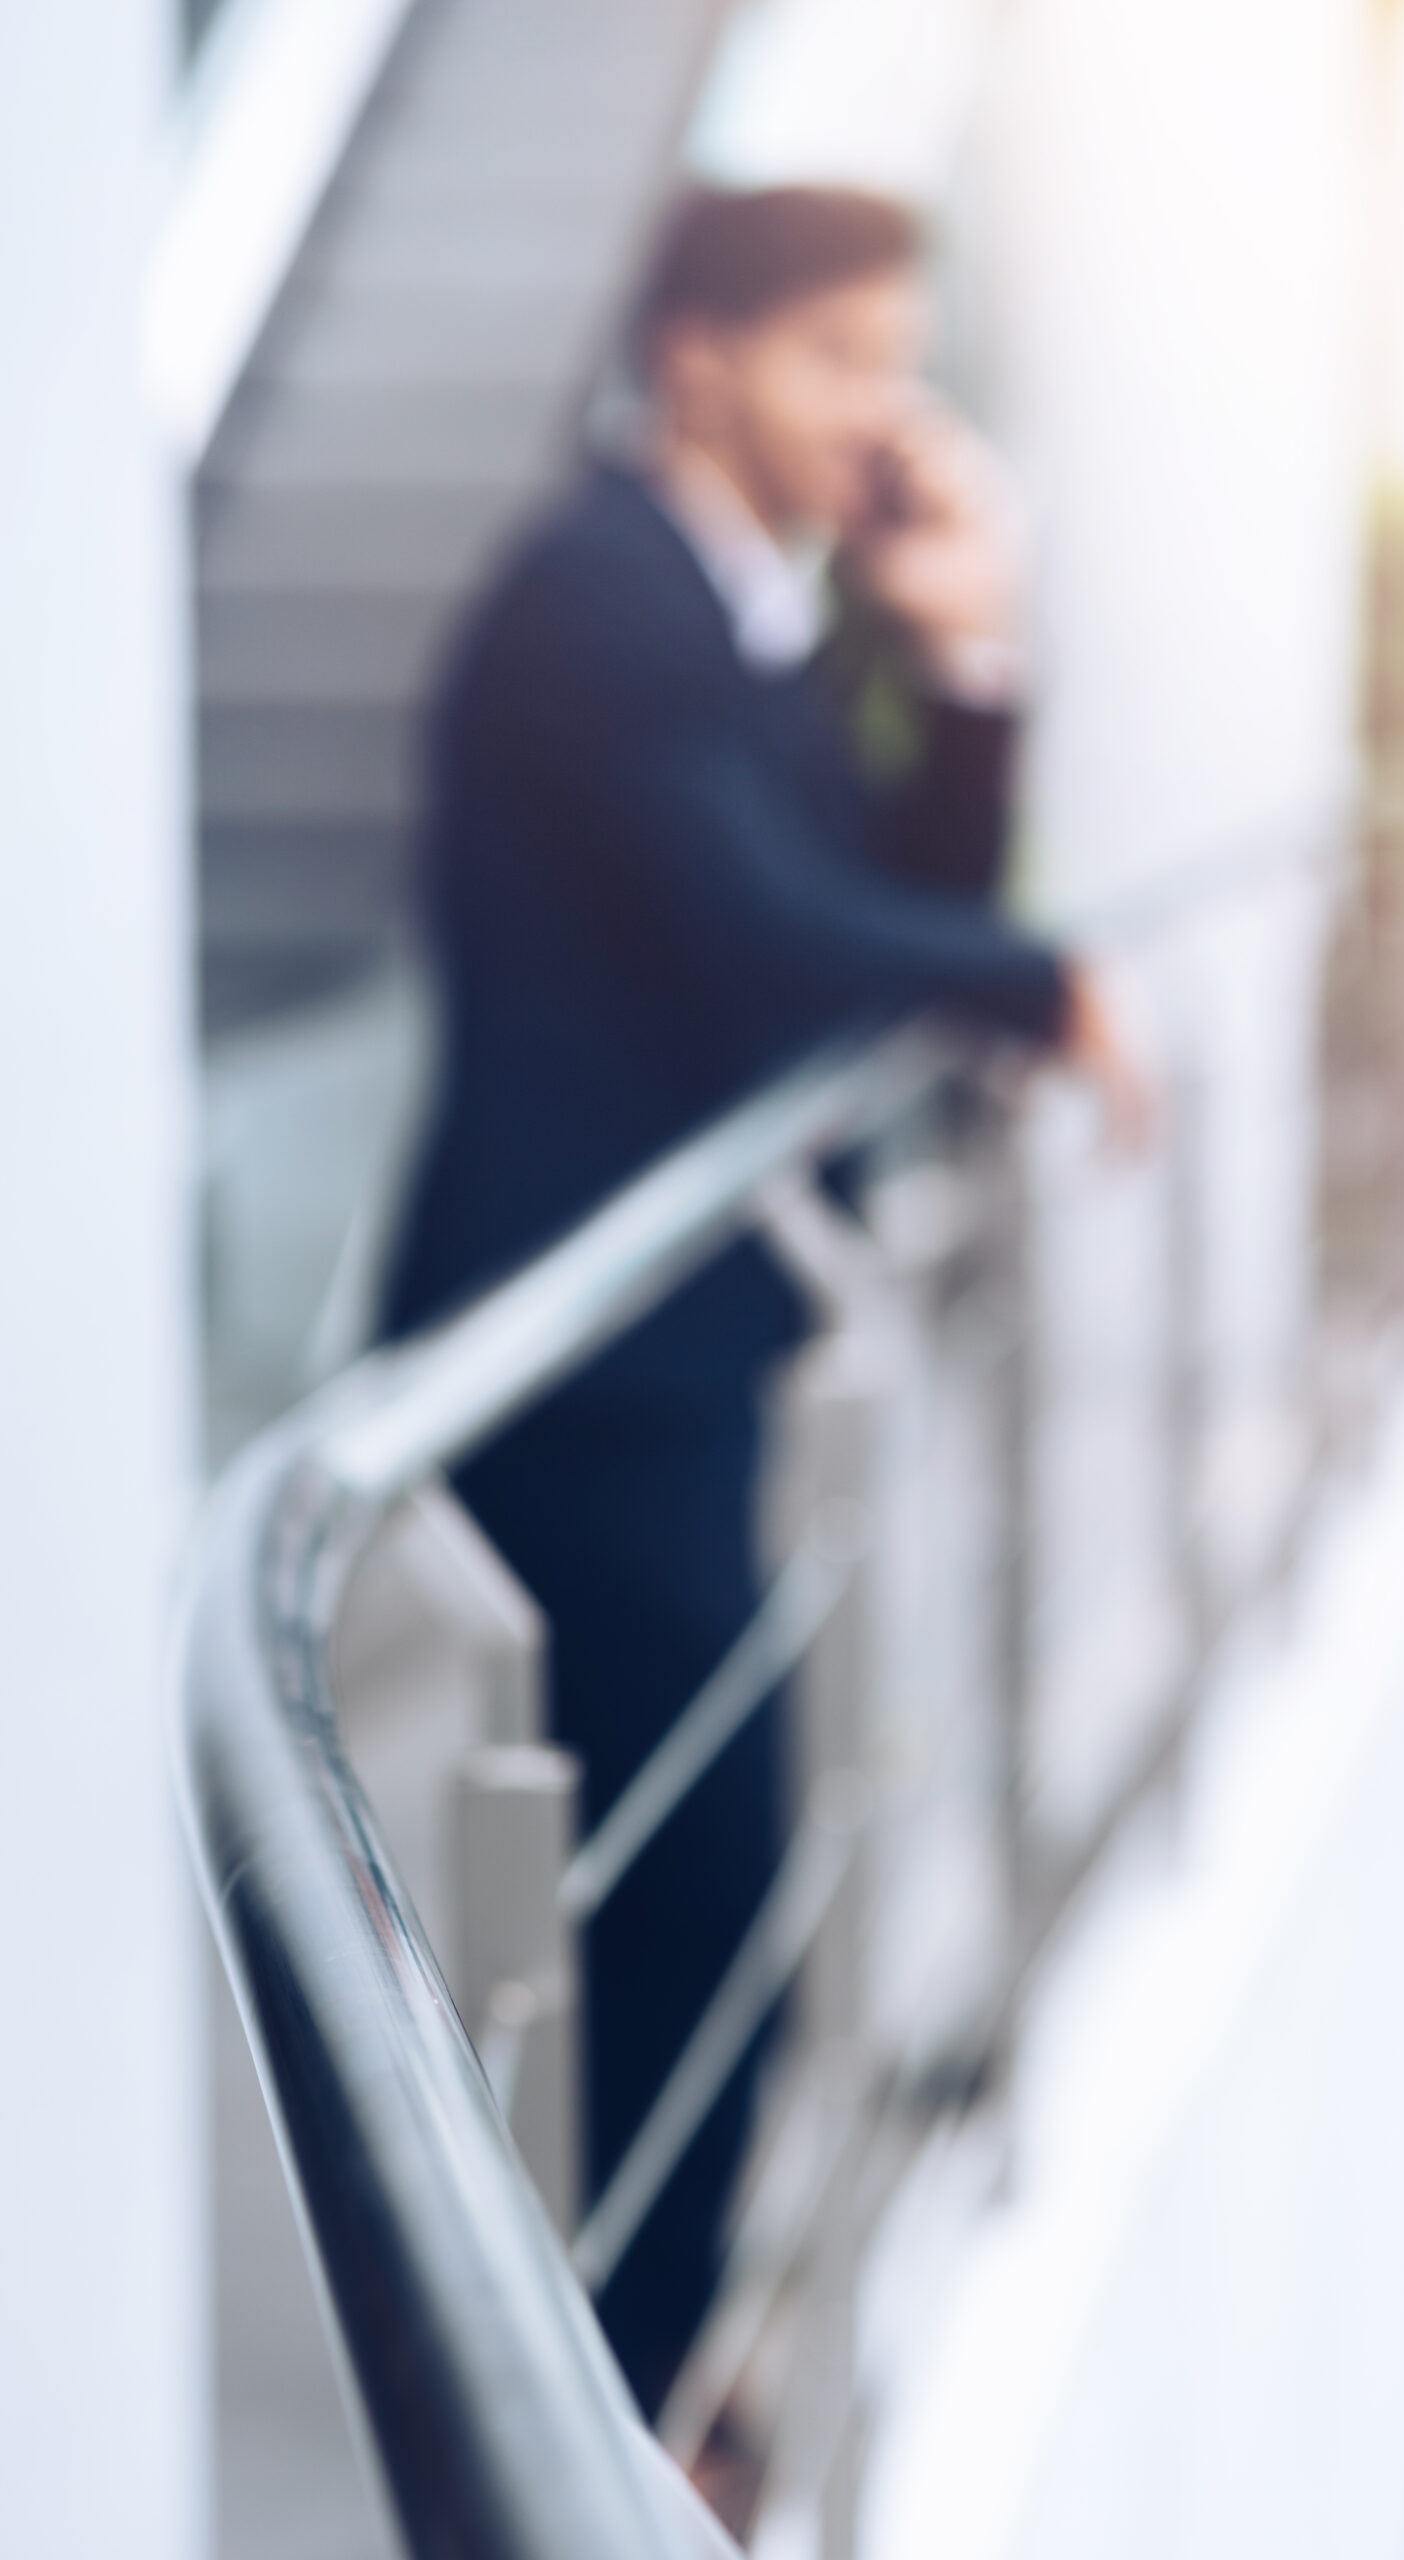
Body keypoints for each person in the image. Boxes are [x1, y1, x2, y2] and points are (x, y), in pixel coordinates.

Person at [380, 184, 1145, 2423]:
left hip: (667, 1352)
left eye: (900, 363)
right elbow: (764, 936)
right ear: (694, 356)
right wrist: (1042, 981)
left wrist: (965, 657)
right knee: (691, 1894)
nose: (883, 415)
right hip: (583, 1362)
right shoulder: (601, 595)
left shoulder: (733, 604)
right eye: (838, 361)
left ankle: (636, 2378)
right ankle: (614, 2409)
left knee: (684, 1900)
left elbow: (871, 903)